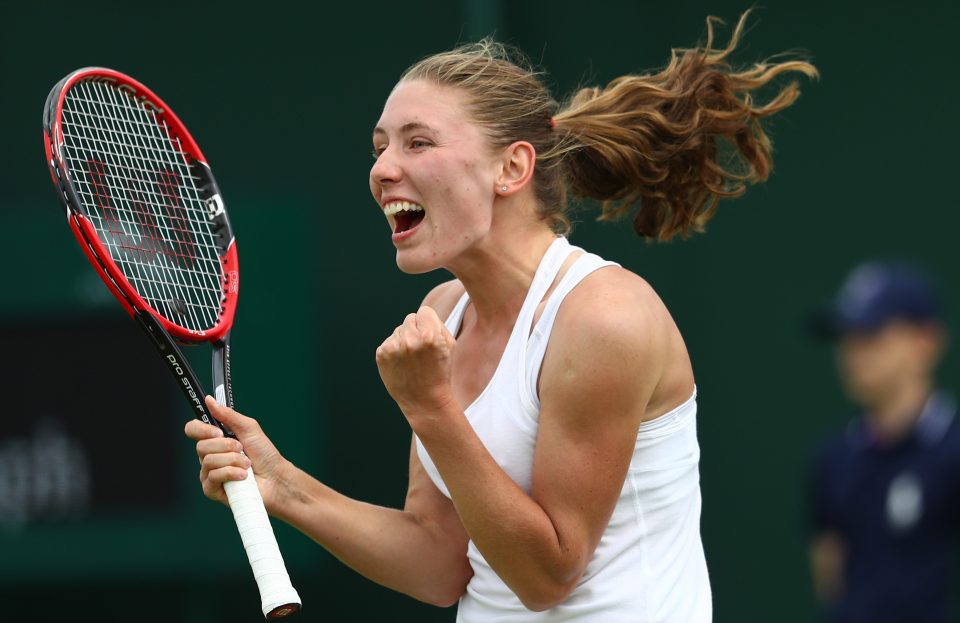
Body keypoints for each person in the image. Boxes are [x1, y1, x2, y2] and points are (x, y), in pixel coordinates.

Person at [187, 13, 815, 622]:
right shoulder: (443, 315)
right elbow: (438, 563)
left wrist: (432, 408)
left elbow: (548, 575)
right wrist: (283, 488)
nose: (381, 170)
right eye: (379, 149)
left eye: (418, 142)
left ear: (512, 168)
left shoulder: (603, 316)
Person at [807, 261, 960, 623]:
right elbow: (830, 578)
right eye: (847, 338)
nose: (853, 354)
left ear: (925, 342)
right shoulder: (834, 459)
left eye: (871, 335)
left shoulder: (953, 451)